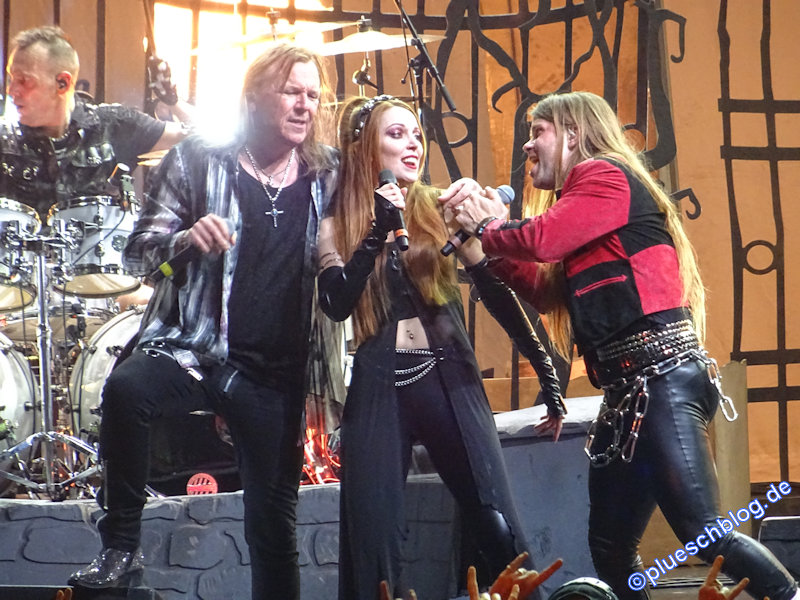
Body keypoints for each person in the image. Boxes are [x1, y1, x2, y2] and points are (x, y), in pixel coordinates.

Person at [440, 91, 799, 600]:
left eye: (538, 131)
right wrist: (482, 250)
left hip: (661, 380)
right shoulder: (581, 205)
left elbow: (539, 241)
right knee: (610, 547)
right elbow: (546, 291)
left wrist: (488, 223)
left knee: (704, 532)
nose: (527, 145)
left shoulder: (603, 176)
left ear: (573, 133)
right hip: (630, 393)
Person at [67, 42, 339, 600]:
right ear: (254, 96)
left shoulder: (326, 173)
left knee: (273, 528)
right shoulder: (197, 158)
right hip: (194, 348)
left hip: (274, 371)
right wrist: (186, 242)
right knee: (127, 389)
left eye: (313, 96)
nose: (304, 105)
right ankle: (120, 546)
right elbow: (141, 259)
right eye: (292, 91)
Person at [317, 94, 565, 600]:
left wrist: (545, 369)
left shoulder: (442, 205)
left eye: (416, 134)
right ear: (365, 149)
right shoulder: (335, 222)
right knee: (372, 540)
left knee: (494, 517)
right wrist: (374, 234)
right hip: (379, 385)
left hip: (448, 375)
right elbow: (337, 303)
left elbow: (496, 289)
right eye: (396, 134)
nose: (413, 144)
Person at [1, 25, 189, 221]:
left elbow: (202, 141)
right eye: (11, 79)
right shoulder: (5, 139)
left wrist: (173, 102)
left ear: (62, 83)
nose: (11, 90)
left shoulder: (113, 125)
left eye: (23, 80)